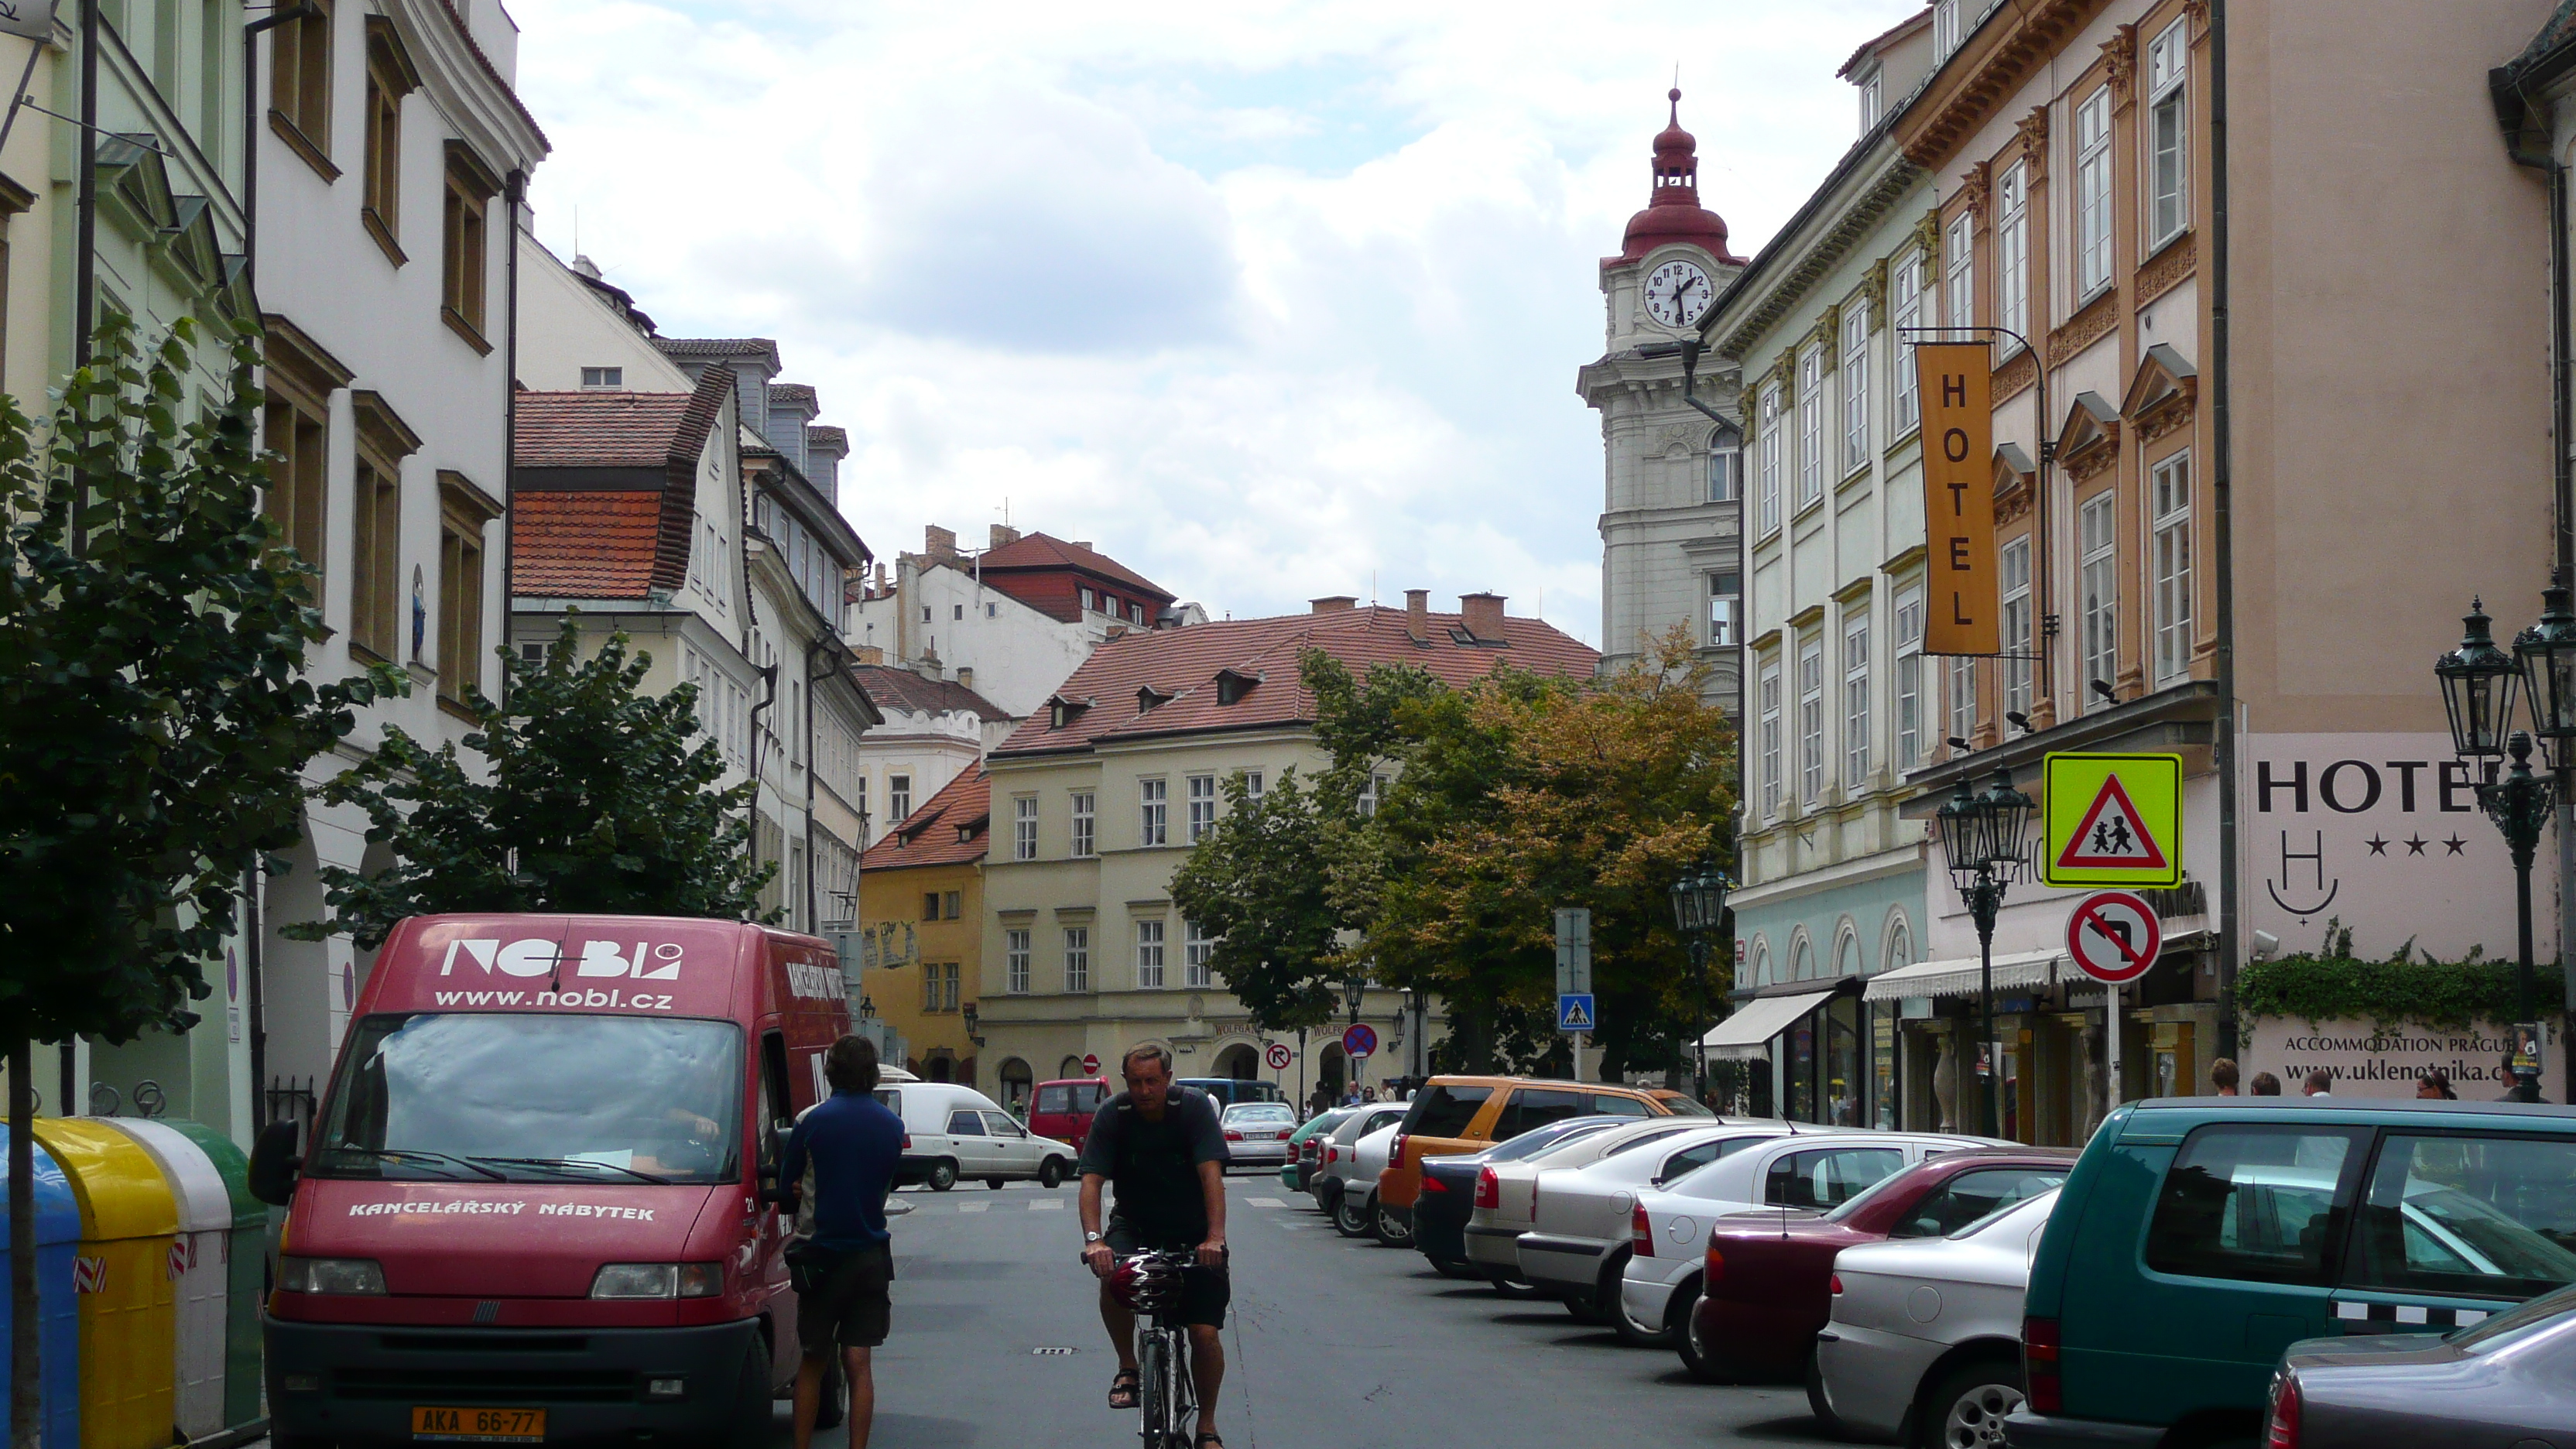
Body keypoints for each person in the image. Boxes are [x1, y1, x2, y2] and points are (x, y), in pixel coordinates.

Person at [1079, 1045, 1231, 1449]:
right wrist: (1094, 1241)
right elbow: (1091, 1181)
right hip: (1136, 1224)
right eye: (1135, 1082)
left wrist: (1214, 1238)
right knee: (1110, 1274)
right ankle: (1128, 1367)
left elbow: (1211, 1176)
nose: (1144, 1090)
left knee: (1203, 1334)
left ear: (1167, 1078)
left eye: (1152, 1081)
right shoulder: (1114, 1114)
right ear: (1125, 1081)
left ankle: (1207, 1427)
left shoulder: (1192, 1109)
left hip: (1194, 1231)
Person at [781, 1036, 904, 1449]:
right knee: (859, 1362)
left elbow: (785, 1187)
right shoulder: (892, 1125)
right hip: (870, 1256)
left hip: (821, 1254)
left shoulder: (812, 1120)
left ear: (830, 1072)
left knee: (814, 1360)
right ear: (873, 1074)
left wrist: (797, 1188)